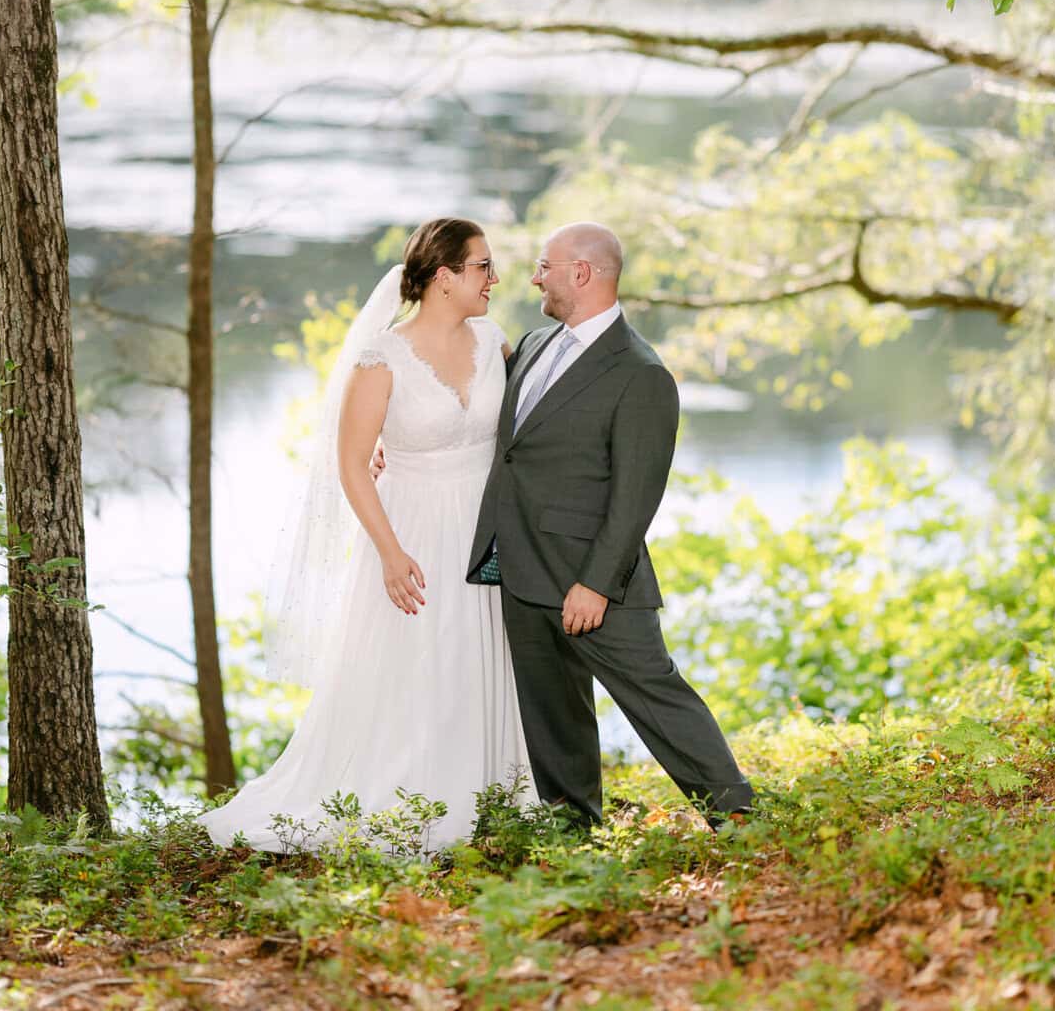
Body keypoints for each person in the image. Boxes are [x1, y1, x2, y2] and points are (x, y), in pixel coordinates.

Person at [197, 218, 529, 853]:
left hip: (483, 528)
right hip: (410, 529)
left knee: (480, 652)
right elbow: (350, 463)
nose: (494, 278)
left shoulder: (496, 343)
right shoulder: (382, 358)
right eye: (483, 266)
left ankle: (492, 790)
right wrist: (389, 551)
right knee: (417, 660)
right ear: (444, 278)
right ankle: (413, 798)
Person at [467, 222, 752, 828]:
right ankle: (572, 832)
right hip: (520, 567)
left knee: (658, 697)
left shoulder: (641, 372)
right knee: (553, 713)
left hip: (594, 581)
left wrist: (595, 583)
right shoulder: (536, 344)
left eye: (546, 266)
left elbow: (636, 496)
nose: (535, 277)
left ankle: (743, 820)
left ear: (583, 273)